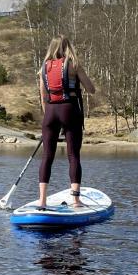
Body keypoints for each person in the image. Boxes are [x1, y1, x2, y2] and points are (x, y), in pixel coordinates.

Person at [34, 36, 95, 208]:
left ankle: (42, 201)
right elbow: (91, 89)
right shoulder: (74, 64)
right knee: (73, 155)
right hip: (69, 109)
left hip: (51, 112)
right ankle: (75, 200)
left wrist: (49, 121)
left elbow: (43, 97)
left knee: (47, 156)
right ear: (67, 47)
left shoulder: (43, 68)